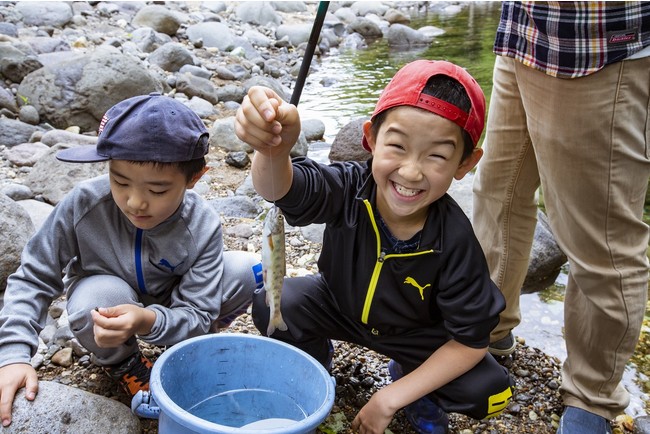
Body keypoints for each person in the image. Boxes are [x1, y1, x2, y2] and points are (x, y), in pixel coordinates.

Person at [235, 60, 514, 434]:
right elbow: (279, 189)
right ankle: (316, 368)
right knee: (274, 304)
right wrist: (274, 149)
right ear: (370, 138)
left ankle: (413, 383)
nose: (411, 172)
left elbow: (470, 341)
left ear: (465, 163)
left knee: (489, 391)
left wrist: (389, 398)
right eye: (397, 146)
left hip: (416, 335)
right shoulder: (349, 187)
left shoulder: (457, 242)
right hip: (338, 305)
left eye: (437, 156)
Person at [0, 93, 262, 428]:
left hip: (170, 303)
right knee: (96, 300)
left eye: (157, 191)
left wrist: (148, 320)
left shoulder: (202, 224)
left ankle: (189, 345)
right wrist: (12, 356)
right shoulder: (83, 204)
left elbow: (197, 311)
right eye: (120, 182)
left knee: (246, 268)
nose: (136, 202)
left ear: (194, 178)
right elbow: (33, 276)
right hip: (108, 300)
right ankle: (124, 363)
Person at [472, 2, 650, 433]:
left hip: (594, 42)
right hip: (525, 31)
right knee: (497, 197)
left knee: (598, 238)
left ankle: (592, 396)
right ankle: (488, 329)